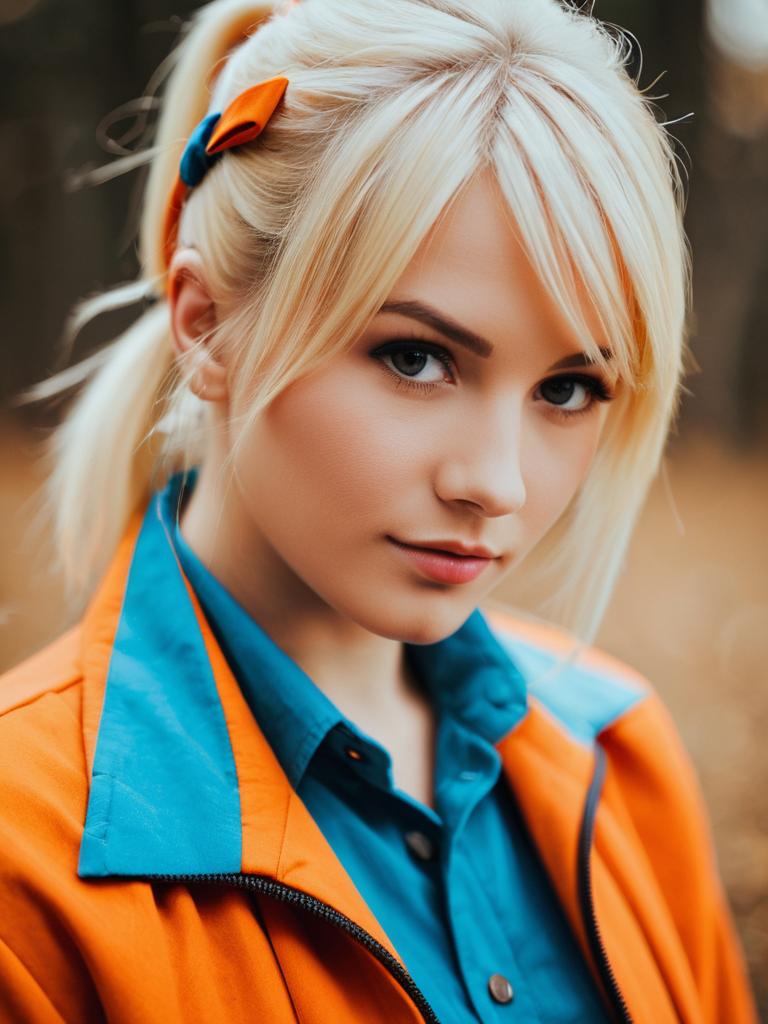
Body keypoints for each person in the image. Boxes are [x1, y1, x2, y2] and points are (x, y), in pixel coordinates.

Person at [0, 0, 758, 1021]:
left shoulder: (622, 753)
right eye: (416, 357)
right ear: (208, 324)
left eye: (570, 387)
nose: (498, 482)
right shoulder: (21, 859)